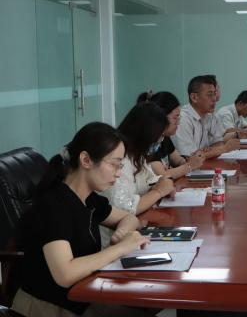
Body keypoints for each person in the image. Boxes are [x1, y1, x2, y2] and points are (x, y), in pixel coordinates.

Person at [12, 122, 150, 317]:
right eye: (114, 164)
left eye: (120, 166)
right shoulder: (54, 205)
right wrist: (120, 248)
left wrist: (121, 234)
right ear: (86, 160)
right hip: (49, 306)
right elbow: (65, 274)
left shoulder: (88, 199)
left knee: (144, 307)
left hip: (82, 295)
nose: (118, 173)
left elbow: (129, 218)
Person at [100, 103, 176, 233]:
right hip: (114, 234)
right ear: (145, 135)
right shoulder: (119, 160)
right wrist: (158, 192)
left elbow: (149, 180)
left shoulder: (137, 156)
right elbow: (124, 208)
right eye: (158, 136)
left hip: (136, 225)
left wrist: (161, 183)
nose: (160, 141)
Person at [138, 91, 205, 180]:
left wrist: (192, 160)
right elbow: (162, 175)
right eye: (175, 117)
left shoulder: (163, 137)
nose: (178, 122)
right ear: (161, 117)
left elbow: (179, 161)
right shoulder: (148, 141)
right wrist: (189, 166)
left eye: (179, 117)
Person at [173, 75, 240, 159]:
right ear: (194, 97)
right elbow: (190, 157)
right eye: (210, 95)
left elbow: (219, 143)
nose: (214, 99)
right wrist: (224, 149)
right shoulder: (183, 119)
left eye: (214, 94)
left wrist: (210, 151)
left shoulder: (211, 116)